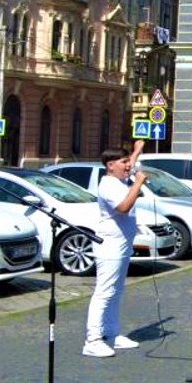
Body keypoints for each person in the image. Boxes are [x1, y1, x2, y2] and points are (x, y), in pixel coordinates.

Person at [83, 141, 148, 358]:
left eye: (128, 162)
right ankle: (92, 339)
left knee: (116, 291)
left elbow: (131, 165)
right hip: (109, 245)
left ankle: (111, 333)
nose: (128, 166)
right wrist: (138, 183)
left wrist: (137, 150)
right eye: (123, 162)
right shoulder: (108, 185)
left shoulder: (119, 180)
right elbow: (123, 207)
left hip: (122, 244)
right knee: (104, 291)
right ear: (110, 165)